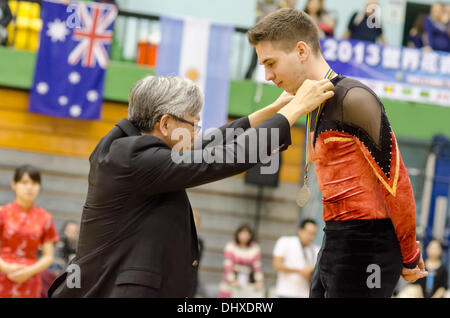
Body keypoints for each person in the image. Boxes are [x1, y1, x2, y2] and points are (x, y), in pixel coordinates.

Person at [48, 74, 334, 298]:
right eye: (194, 124)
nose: (198, 132)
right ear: (165, 123)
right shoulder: (135, 158)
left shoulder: (131, 147)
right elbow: (221, 158)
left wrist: (273, 109)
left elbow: (207, 146)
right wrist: (296, 109)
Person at [247, 8, 427, 298]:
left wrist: (409, 254)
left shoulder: (354, 98)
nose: (267, 75)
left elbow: (398, 184)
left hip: (368, 246)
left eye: (271, 63)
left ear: (302, 51)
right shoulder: (312, 101)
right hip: (334, 238)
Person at [0, 165, 59, 298]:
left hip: (31, 279)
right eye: (24, 182)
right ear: (14, 184)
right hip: (2, 274)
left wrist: (28, 271)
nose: (29, 187)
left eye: (34, 183)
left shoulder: (45, 217)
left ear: (39, 187)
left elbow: (48, 256)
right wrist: (6, 267)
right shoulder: (2, 213)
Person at [245, 0, 298, 79]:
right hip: (260, 35)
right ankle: (248, 77)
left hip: (273, 37)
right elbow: (258, 17)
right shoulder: (260, 3)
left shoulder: (279, 4)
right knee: (255, 59)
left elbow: (280, 18)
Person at [273, 219, 319, 298]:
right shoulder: (285, 242)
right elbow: (277, 265)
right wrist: (300, 271)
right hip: (287, 293)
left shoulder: (316, 249)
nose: (311, 237)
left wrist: (310, 271)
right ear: (300, 231)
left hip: (306, 294)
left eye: (314, 234)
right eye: (309, 233)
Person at [218, 224, 264, 298]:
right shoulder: (231, 246)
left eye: (247, 234)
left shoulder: (255, 248)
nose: (244, 236)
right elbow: (228, 265)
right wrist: (232, 280)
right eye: (242, 234)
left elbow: (257, 266)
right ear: (238, 234)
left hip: (247, 280)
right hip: (231, 280)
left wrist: (259, 281)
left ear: (250, 236)